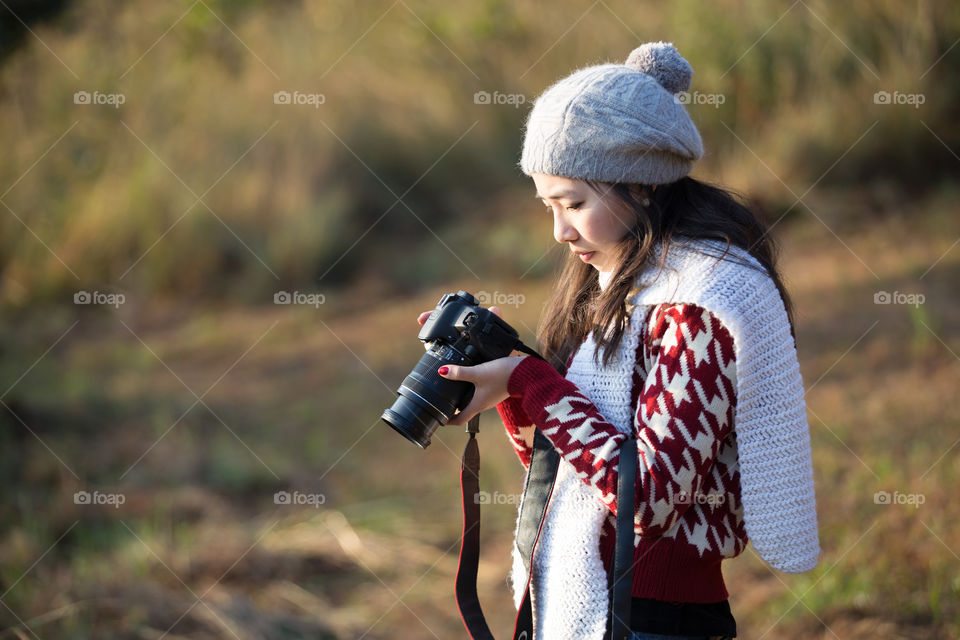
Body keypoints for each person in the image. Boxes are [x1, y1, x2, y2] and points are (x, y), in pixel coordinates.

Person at [416, 41, 820, 640]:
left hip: (655, 616)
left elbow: (646, 498)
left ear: (643, 185)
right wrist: (501, 384)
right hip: (574, 591)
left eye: (574, 203)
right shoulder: (613, 282)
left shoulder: (701, 306)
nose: (559, 231)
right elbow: (567, 469)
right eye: (548, 206)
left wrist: (528, 381)